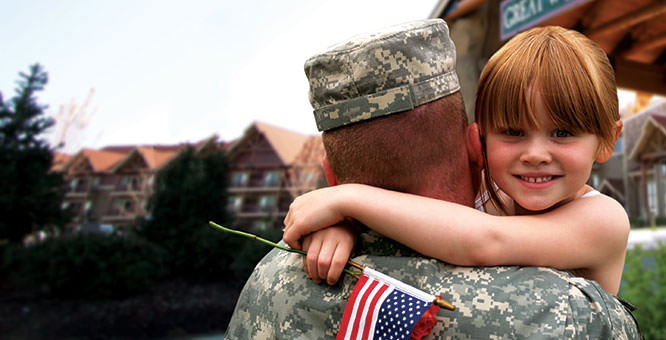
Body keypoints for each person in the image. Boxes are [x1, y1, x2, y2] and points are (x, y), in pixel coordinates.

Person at [225, 19, 639, 339]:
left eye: (563, 133)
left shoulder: (602, 220)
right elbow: (440, 222)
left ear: (608, 140)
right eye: (512, 132)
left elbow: (484, 240)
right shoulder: (495, 195)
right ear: (480, 142)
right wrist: (341, 228)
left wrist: (349, 200)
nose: (534, 154)